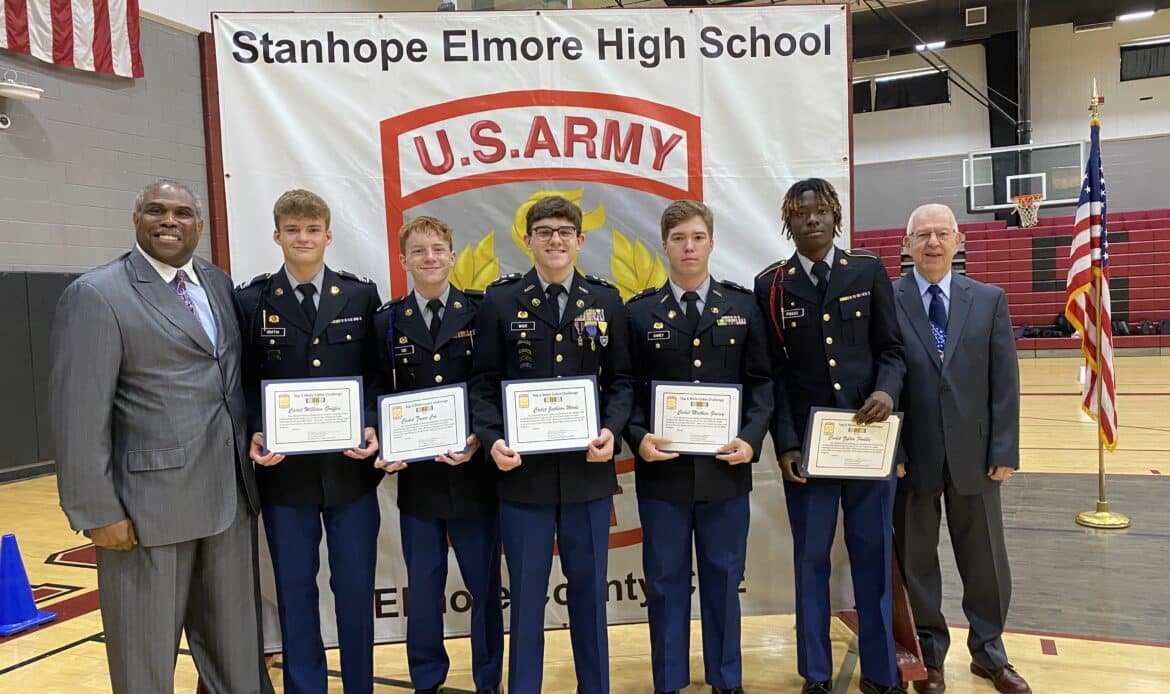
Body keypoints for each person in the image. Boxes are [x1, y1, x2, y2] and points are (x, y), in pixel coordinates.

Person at [49, 180, 273, 694]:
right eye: (156, 211)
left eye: (182, 213)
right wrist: (97, 511)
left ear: (200, 225)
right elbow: (77, 414)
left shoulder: (217, 283)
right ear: (136, 220)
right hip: (148, 510)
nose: (169, 221)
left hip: (229, 497)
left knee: (237, 655)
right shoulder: (97, 294)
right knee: (144, 659)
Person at [468, 195, 634, 694]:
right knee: (525, 597)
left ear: (580, 240)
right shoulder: (500, 301)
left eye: (564, 232)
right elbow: (483, 383)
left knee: (590, 595)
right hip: (523, 475)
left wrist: (611, 429)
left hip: (588, 472)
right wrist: (493, 439)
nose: (554, 240)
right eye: (544, 231)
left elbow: (622, 381)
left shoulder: (605, 300)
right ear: (528, 240)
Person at [753, 178, 906, 694]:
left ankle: (882, 674)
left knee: (872, 561)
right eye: (800, 213)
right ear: (787, 222)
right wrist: (786, 444)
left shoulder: (867, 269)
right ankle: (816, 674)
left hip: (868, 446)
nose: (811, 219)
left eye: (820, 211)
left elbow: (892, 349)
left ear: (835, 216)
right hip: (809, 454)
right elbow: (773, 374)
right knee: (811, 561)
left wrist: (886, 391)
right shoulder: (772, 285)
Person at [234, 189, 383, 694]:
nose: (303, 238)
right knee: (295, 591)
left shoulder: (359, 296)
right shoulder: (251, 300)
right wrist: (257, 427)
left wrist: (370, 422)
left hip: (351, 473)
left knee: (355, 589)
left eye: (312, 229)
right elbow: (244, 381)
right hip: (285, 476)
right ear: (277, 235)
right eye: (293, 230)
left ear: (328, 235)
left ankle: (360, 686)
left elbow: (376, 375)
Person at [623, 200, 773, 694]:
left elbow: (762, 383)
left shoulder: (742, 307)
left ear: (711, 243)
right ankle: (668, 680)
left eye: (697, 237)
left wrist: (751, 439)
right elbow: (626, 387)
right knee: (664, 583)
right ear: (664, 246)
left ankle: (726, 679)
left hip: (725, 470)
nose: (688, 247)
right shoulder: (638, 312)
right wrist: (637, 437)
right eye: (679, 239)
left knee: (723, 579)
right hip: (662, 472)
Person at [893, 204, 1030, 694]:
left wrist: (1005, 449)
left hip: (976, 455)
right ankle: (928, 656)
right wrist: (892, 451)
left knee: (985, 560)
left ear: (959, 241)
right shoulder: (887, 300)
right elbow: (882, 379)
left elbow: (1004, 381)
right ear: (906, 245)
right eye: (922, 234)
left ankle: (990, 653)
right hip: (912, 458)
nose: (932, 242)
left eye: (942, 233)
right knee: (917, 562)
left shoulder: (989, 300)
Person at [372, 216, 503, 694]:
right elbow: (379, 391)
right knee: (424, 590)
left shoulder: (482, 312)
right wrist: (386, 440)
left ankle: (488, 679)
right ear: (403, 260)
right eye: (418, 251)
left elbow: (493, 383)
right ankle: (426, 679)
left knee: (485, 587)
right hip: (419, 481)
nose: (429, 257)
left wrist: (480, 438)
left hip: (474, 476)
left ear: (452, 255)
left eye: (437, 249)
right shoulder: (387, 321)